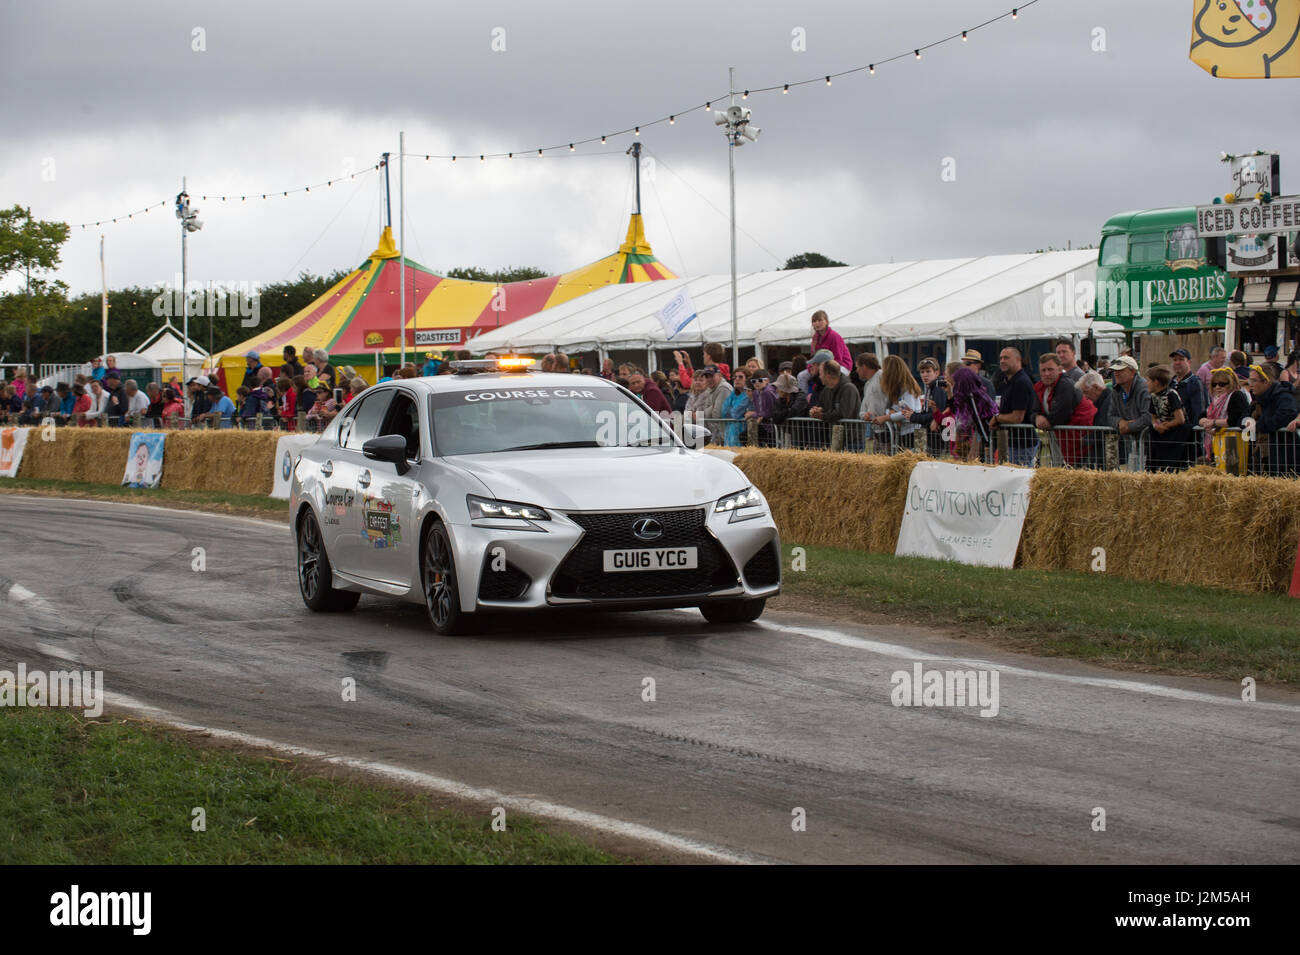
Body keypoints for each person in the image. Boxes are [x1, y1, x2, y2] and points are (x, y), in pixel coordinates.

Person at [988, 347, 1039, 466]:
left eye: (1006, 358)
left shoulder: (1021, 382)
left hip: (1022, 444)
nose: (1002, 361)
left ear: (1018, 360)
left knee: (1018, 480)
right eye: (1000, 358)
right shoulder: (1008, 381)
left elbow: (1017, 418)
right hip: (1012, 442)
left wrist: (997, 418)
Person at [1248, 363, 1299, 475]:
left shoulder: (1283, 396)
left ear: (1265, 382)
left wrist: (1259, 426)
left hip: (1284, 453)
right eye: (1249, 381)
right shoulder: (1257, 399)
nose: (1250, 385)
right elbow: (1242, 418)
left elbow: (1285, 416)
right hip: (1264, 452)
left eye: (1253, 381)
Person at [1200, 367, 1252, 468]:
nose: (1217, 387)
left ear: (1231, 383)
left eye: (1222, 384)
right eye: (1214, 384)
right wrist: (1204, 422)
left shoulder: (1236, 395)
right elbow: (1202, 415)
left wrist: (1213, 423)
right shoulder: (1216, 400)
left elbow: (1233, 420)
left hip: (1234, 441)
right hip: (1218, 442)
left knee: (1232, 471)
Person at [870, 355, 923, 452]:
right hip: (905, 431)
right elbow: (897, 408)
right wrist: (892, 413)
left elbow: (907, 412)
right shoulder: (900, 389)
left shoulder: (908, 388)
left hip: (913, 432)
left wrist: (886, 417)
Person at [947, 366, 998, 461]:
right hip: (983, 435)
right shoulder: (972, 397)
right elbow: (958, 412)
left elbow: (980, 422)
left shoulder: (973, 398)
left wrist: (985, 444)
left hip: (986, 436)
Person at [808, 360, 860, 448]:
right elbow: (821, 406)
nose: (820, 377)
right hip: (835, 438)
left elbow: (843, 413)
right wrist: (816, 410)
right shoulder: (826, 390)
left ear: (827, 375)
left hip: (852, 440)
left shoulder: (848, 388)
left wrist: (822, 416)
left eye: (821, 374)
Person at [1110, 355, 1151, 466]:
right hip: (1130, 445)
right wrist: (1120, 422)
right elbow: (1110, 416)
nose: (1116, 373)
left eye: (1121, 370)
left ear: (1132, 372)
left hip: (1149, 444)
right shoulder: (1116, 390)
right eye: (1114, 370)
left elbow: (1148, 417)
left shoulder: (1144, 389)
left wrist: (1128, 427)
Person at [1169, 348, 1208, 463]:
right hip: (1174, 434)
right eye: (1175, 359)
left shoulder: (1195, 382)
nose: (1177, 362)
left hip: (1190, 435)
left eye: (1181, 359)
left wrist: (1196, 432)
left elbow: (1200, 410)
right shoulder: (1171, 383)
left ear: (1189, 362)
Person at [909, 357, 949, 457]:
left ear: (936, 373)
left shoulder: (938, 389)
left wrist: (913, 417)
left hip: (938, 436)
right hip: (929, 435)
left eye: (928, 371)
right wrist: (913, 414)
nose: (925, 375)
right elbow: (927, 413)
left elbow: (935, 415)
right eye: (922, 372)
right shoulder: (929, 388)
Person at [769, 372, 810, 446]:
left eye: (779, 387)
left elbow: (794, 411)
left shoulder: (800, 397)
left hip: (802, 435)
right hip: (787, 434)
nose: (777, 390)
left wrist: (783, 414)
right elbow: (775, 416)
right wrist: (787, 412)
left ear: (786, 389)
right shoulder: (781, 400)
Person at [744, 369, 778, 445]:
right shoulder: (756, 392)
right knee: (745, 437)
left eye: (760, 380)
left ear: (767, 381)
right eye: (754, 381)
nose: (757, 383)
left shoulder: (768, 392)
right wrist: (758, 415)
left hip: (771, 426)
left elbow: (770, 411)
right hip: (763, 424)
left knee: (745, 437)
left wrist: (753, 414)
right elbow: (759, 410)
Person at [721, 369, 752, 446]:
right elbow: (724, 413)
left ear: (747, 379)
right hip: (729, 431)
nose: (737, 379)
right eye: (735, 377)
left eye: (740, 377)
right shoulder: (732, 394)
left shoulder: (748, 395)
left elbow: (735, 413)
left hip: (742, 430)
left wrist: (732, 410)